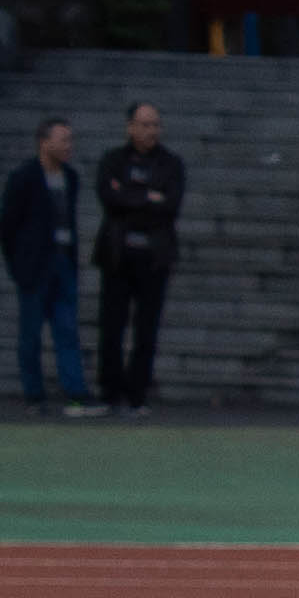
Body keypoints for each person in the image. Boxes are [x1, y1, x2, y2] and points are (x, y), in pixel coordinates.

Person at [93, 102, 187, 414]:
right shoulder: (113, 160)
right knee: (112, 326)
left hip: (154, 256)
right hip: (117, 254)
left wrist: (130, 197)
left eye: (155, 125)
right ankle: (110, 391)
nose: (151, 131)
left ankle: (137, 394)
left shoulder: (170, 163)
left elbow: (170, 205)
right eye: (144, 125)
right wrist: (148, 197)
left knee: (146, 328)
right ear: (130, 127)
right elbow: (109, 198)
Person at [0, 117, 92, 413]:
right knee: (31, 333)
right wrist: (18, 265)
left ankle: (76, 392)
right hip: (35, 266)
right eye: (63, 140)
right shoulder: (24, 177)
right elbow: (6, 226)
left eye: (70, 140)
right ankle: (34, 395)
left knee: (67, 329)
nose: (68, 146)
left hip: (63, 260)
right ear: (44, 142)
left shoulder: (70, 177)